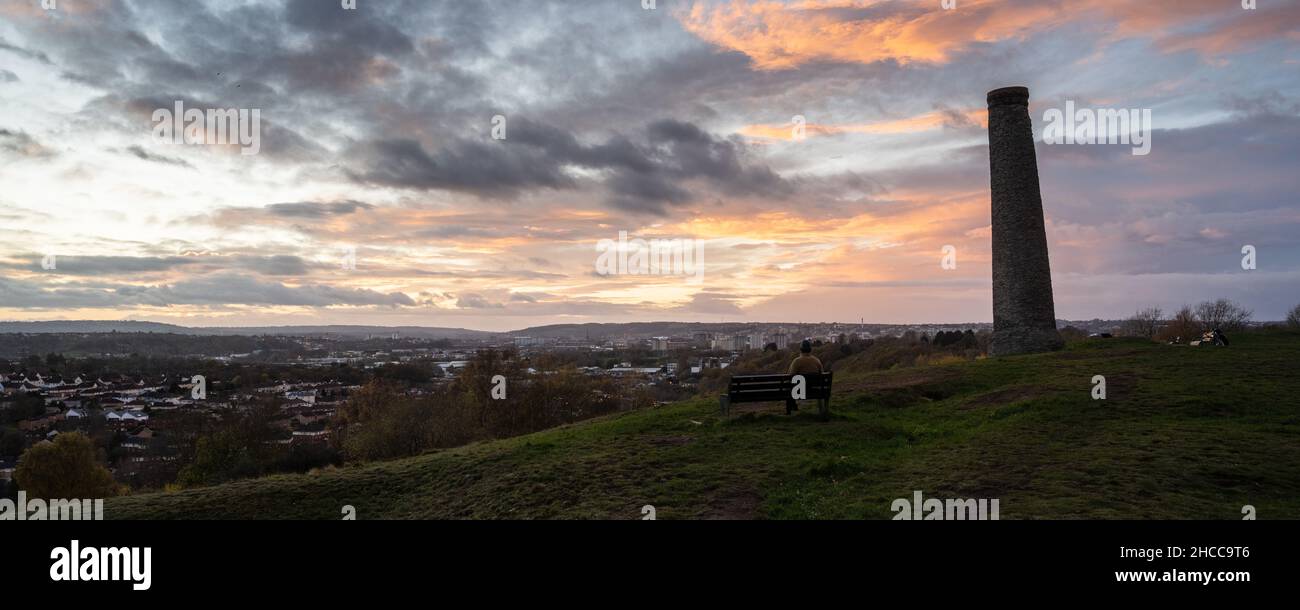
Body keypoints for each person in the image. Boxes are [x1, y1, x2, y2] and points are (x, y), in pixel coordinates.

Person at [786, 340, 823, 413]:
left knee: (789, 388)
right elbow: (822, 374)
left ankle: (791, 410)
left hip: (800, 391)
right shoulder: (816, 361)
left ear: (800, 350)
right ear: (810, 350)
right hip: (815, 390)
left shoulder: (797, 361)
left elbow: (790, 377)